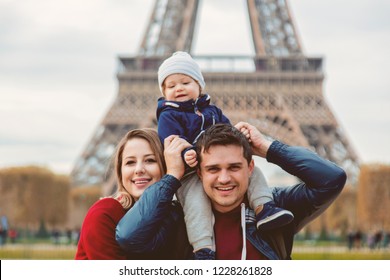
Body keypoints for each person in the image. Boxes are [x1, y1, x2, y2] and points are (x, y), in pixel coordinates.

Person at [156, 51, 293, 259]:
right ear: (164, 93)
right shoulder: (169, 115)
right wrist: (186, 153)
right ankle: (203, 248)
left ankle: (265, 207)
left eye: (185, 82)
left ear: (199, 86)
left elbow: (228, 131)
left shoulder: (212, 110)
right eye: (171, 86)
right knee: (195, 203)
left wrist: (242, 139)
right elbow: (171, 141)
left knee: (252, 173)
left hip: (214, 163)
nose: (179, 88)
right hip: (190, 173)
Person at [194, 122, 346, 259]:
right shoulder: (178, 219)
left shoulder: (276, 209)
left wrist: (267, 148)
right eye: (213, 169)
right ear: (200, 173)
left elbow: (332, 179)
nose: (224, 178)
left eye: (234, 167)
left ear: (250, 168)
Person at [75, 128, 192, 259]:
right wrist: (172, 176)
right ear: (120, 172)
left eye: (150, 160)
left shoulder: (176, 215)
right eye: (130, 162)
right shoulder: (104, 214)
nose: (139, 169)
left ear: (166, 165)